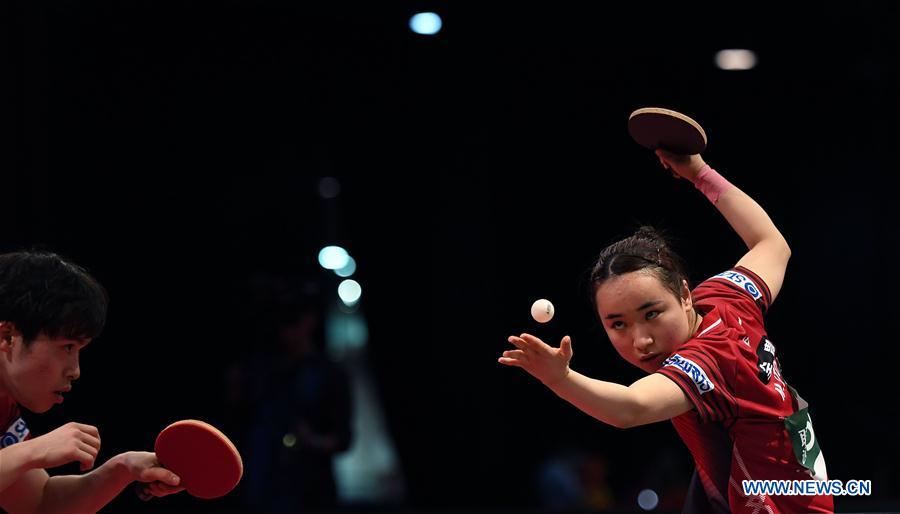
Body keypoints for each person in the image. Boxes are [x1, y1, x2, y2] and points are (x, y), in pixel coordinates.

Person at [499, 149, 833, 513]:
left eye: (652, 313)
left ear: (685, 295)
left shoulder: (710, 361)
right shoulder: (727, 297)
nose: (641, 341)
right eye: (618, 324)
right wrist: (699, 172)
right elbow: (771, 244)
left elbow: (631, 408)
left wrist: (560, 378)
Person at [0, 251, 184, 512]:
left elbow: (42, 503)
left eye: (79, 350)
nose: (75, 371)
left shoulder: (3, 406)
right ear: (7, 337)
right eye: (66, 346)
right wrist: (31, 452)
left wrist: (122, 469)